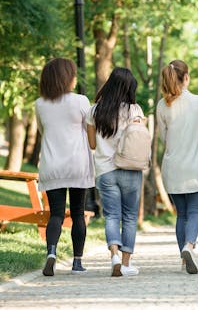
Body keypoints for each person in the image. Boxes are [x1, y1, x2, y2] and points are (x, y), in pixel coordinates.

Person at [35, 57, 95, 276]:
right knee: (78, 213)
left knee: (56, 214)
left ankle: (51, 252)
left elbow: (43, 131)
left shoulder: (40, 103)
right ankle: (77, 262)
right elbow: (90, 130)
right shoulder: (81, 101)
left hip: (52, 165)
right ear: (66, 77)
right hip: (77, 164)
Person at [157, 60, 198, 274]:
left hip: (173, 167)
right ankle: (189, 246)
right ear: (187, 78)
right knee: (194, 211)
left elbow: (164, 137)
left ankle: (183, 260)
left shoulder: (162, 106)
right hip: (195, 168)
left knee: (181, 214)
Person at [86, 67, 144, 277]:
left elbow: (92, 144)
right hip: (130, 168)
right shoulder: (135, 110)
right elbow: (139, 139)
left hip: (105, 170)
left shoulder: (94, 111)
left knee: (111, 215)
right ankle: (126, 263)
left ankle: (114, 256)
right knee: (129, 216)